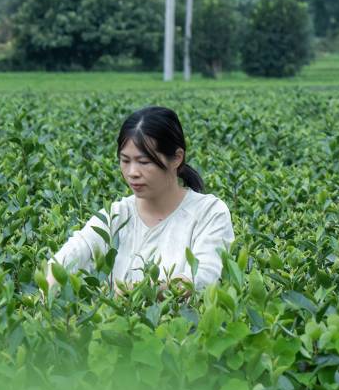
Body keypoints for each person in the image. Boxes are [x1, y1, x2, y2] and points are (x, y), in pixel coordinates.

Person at [45, 106, 234, 292]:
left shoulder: (209, 212)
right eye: (125, 161)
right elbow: (62, 262)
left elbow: (202, 279)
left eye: (144, 162)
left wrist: (132, 292)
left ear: (177, 158)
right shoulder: (115, 216)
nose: (132, 173)